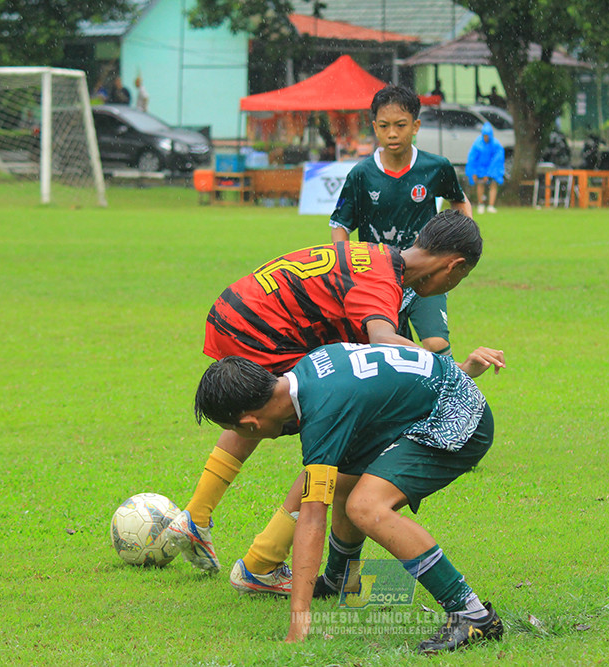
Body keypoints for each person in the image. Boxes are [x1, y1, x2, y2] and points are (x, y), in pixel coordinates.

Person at [165, 211, 505, 588]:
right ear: (455, 267)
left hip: (239, 313)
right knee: (327, 428)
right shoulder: (383, 280)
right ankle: (262, 563)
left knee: (267, 410)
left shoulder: (378, 257)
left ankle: (198, 517)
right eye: (462, 278)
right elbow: (383, 340)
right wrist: (451, 369)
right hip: (263, 329)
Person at [193, 344, 505, 653]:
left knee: (366, 507)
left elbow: (312, 516)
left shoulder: (322, 409)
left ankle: (471, 613)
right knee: (343, 479)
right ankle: (340, 578)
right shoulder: (309, 370)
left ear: (250, 424)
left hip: (458, 415)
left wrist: (298, 619)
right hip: (437, 398)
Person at [330, 85, 472, 358]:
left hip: (424, 271)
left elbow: (460, 199)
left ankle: (453, 396)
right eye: (384, 126)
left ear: (416, 125)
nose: (392, 133)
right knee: (390, 351)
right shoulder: (361, 174)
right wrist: (345, 267)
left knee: (436, 345)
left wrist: (464, 239)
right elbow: (340, 225)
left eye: (400, 125)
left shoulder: (436, 167)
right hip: (376, 278)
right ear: (374, 127)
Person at [465, 122, 505, 215]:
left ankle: (491, 205)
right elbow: (472, 158)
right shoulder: (477, 144)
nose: (486, 137)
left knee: (493, 184)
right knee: (480, 184)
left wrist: (489, 173)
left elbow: (497, 160)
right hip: (480, 167)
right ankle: (481, 204)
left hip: (492, 168)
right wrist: (474, 172)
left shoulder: (496, 144)